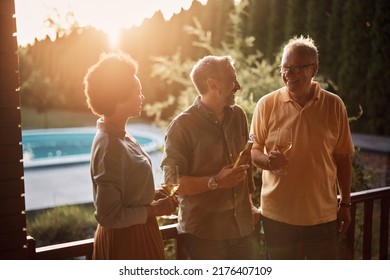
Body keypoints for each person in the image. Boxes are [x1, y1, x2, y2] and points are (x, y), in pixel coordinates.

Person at [250, 35, 354, 260]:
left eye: (296, 68)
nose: (288, 74)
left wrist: (345, 203)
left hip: (322, 217)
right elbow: (253, 150)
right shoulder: (266, 104)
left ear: (313, 69)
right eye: (285, 67)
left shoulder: (334, 105)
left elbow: (343, 159)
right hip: (276, 217)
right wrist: (267, 161)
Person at [161, 55, 261, 260]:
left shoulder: (238, 116)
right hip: (205, 235)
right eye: (232, 79)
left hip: (243, 228)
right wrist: (215, 182)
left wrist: (250, 206)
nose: (238, 86)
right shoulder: (181, 127)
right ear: (212, 84)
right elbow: (172, 182)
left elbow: (245, 162)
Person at [83, 52, 177, 260]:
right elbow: (108, 215)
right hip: (127, 242)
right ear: (120, 99)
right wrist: (154, 210)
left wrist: (151, 194)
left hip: (140, 232)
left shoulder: (122, 135)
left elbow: (126, 192)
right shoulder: (109, 146)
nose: (142, 97)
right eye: (138, 92)